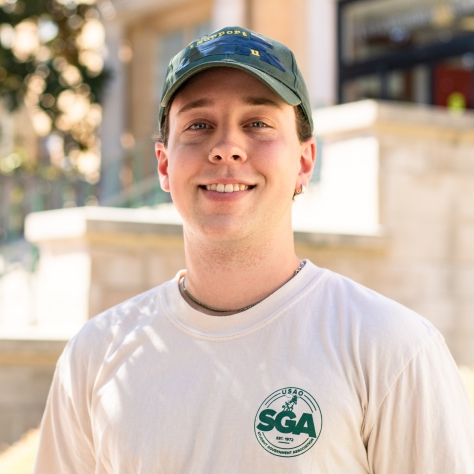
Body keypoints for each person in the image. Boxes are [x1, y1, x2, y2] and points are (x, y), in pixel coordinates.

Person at [34, 26, 474, 473]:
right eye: (199, 125)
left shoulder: (392, 348)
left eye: (257, 124)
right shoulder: (95, 356)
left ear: (304, 162)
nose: (226, 148)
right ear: (164, 165)